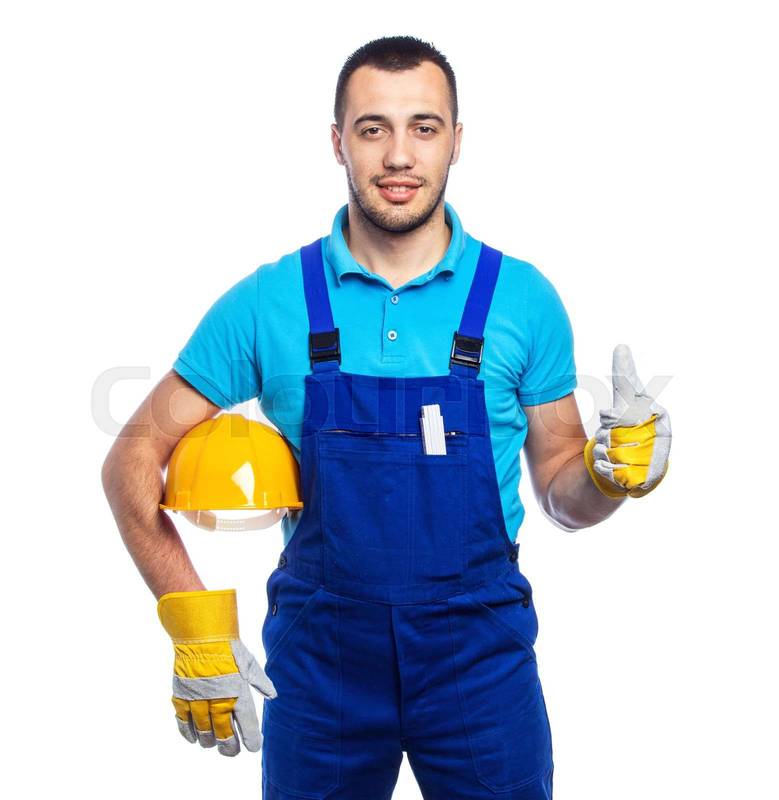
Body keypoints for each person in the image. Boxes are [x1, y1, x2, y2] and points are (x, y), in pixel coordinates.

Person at [102, 34, 670, 800]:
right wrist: (190, 619)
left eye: (422, 127)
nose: (398, 155)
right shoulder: (268, 303)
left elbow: (562, 494)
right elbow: (131, 458)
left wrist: (607, 476)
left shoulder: (521, 300)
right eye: (373, 128)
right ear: (338, 141)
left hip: (480, 661)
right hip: (320, 665)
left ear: (455, 141)